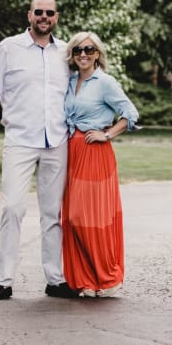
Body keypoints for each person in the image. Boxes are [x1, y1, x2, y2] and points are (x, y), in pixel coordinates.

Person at [0, 0, 77, 300]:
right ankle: (3, 280)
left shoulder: (66, 53)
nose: (43, 17)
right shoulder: (9, 48)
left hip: (56, 141)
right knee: (12, 207)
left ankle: (55, 279)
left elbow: (79, 90)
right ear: (29, 15)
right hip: (20, 140)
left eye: (49, 12)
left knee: (52, 214)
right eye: (38, 12)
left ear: (56, 17)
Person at [61, 31, 139, 298]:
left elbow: (130, 114)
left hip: (95, 153)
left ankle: (106, 278)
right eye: (78, 50)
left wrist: (107, 134)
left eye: (89, 49)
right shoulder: (70, 82)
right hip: (72, 152)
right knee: (71, 218)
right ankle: (85, 280)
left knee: (90, 216)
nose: (83, 54)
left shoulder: (105, 82)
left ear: (97, 54)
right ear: (72, 55)